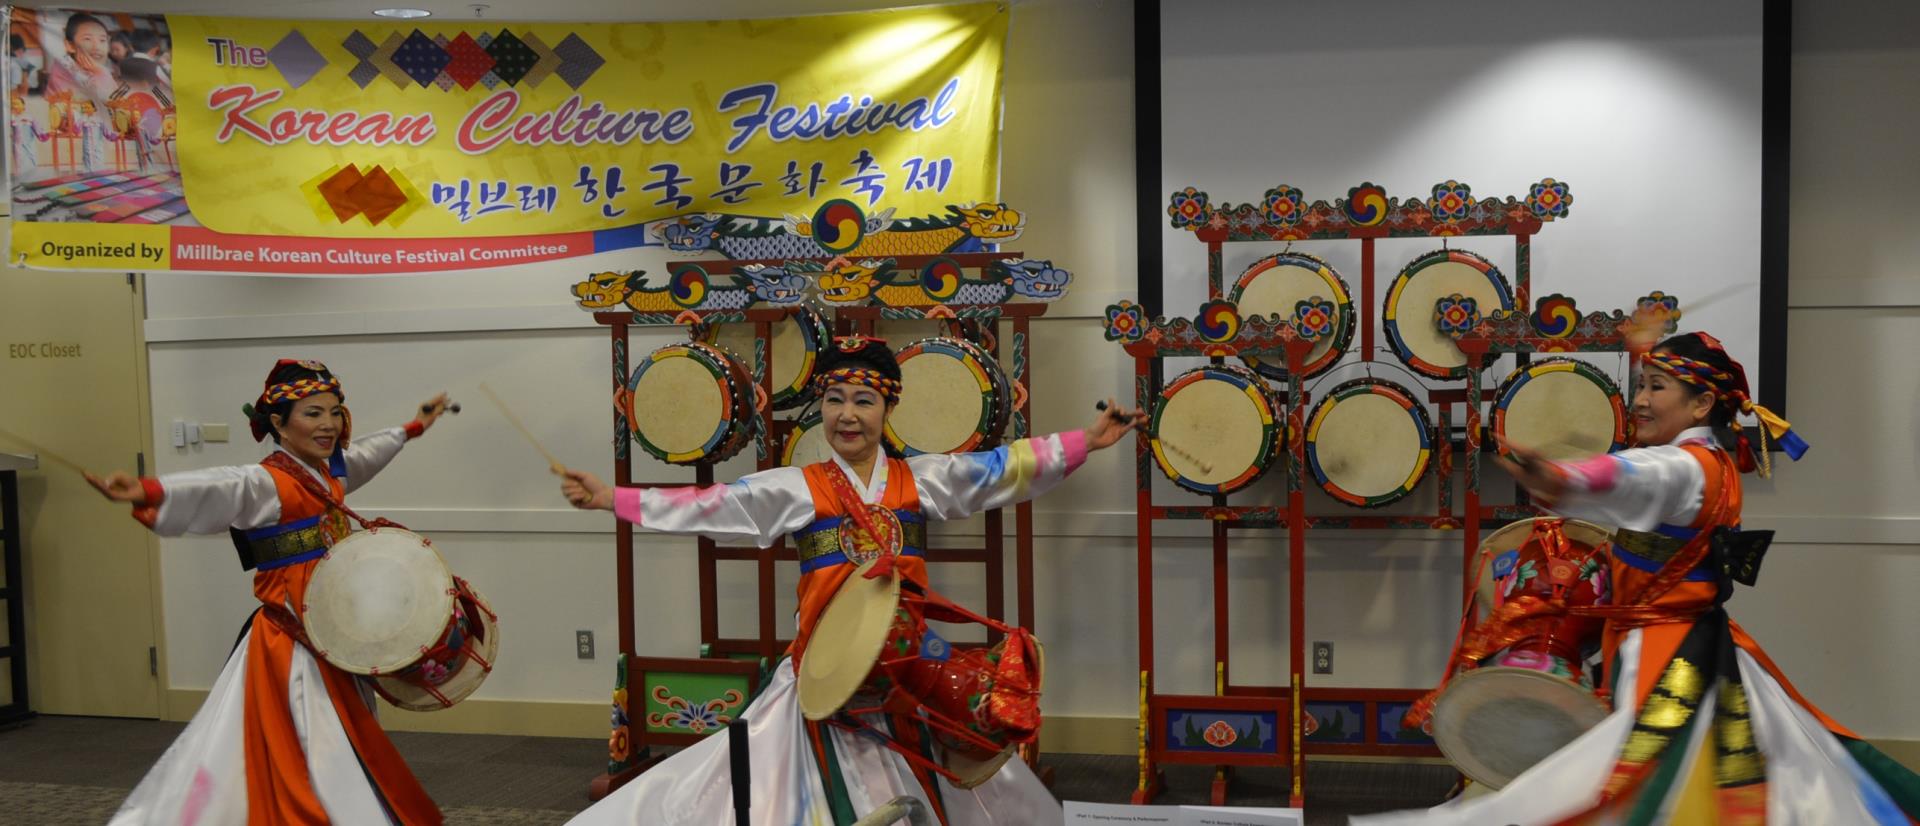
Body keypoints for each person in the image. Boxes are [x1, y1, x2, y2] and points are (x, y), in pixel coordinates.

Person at [557, 334, 1145, 826]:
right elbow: (707, 505)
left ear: (887, 411)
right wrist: (613, 497)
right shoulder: (796, 487)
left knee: (978, 750)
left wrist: (1084, 441)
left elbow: (1000, 470)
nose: (847, 415)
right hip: (824, 668)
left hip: (908, 664)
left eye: (863, 401)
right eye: (835, 400)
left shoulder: (920, 480)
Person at [1365, 332, 1920, 825]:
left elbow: (1626, 474)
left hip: (1670, 653)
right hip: (1698, 641)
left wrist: (1561, 476)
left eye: (1657, 387)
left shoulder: (1680, 467)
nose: (1641, 399)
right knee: (1751, 768)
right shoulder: (1715, 466)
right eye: (1642, 385)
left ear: (1702, 402)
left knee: (1642, 777)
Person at [88, 360, 454, 825]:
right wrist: (147, 490)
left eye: (335, 412)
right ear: (278, 424)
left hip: (333, 635)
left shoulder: (327, 473)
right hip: (292, 642)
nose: (329, 425)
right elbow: (218, 487)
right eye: (313, 413)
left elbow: (366, 453)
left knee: (338, 733)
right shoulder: (266, 483)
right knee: (310, 735)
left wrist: (414, 425)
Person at [43, 12, 115, 104]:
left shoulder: (100, 70)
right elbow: (89, 106)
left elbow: (118, 100)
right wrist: (102, 74)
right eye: (87, 39)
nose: (97, 47)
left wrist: (102, 73)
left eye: (102, 40)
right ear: (70, 46)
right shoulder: (63, 69)